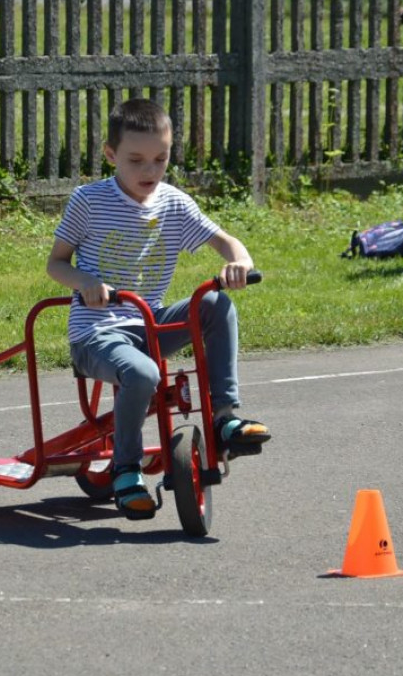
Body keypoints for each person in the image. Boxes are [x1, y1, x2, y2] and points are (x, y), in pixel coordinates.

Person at [46, 98, 270, 520]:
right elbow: (56, 263)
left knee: (215, 304)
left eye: (160, 159)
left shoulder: (173, 204)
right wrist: (87, 283)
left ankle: (224, 419)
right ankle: (126, 468)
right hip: (98, 333)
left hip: (148, 324)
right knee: (145, 373)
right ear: (111, 155)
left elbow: (224, 241)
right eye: (136, 160)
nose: (149, 171)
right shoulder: (89, 201)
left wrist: (240, 260)